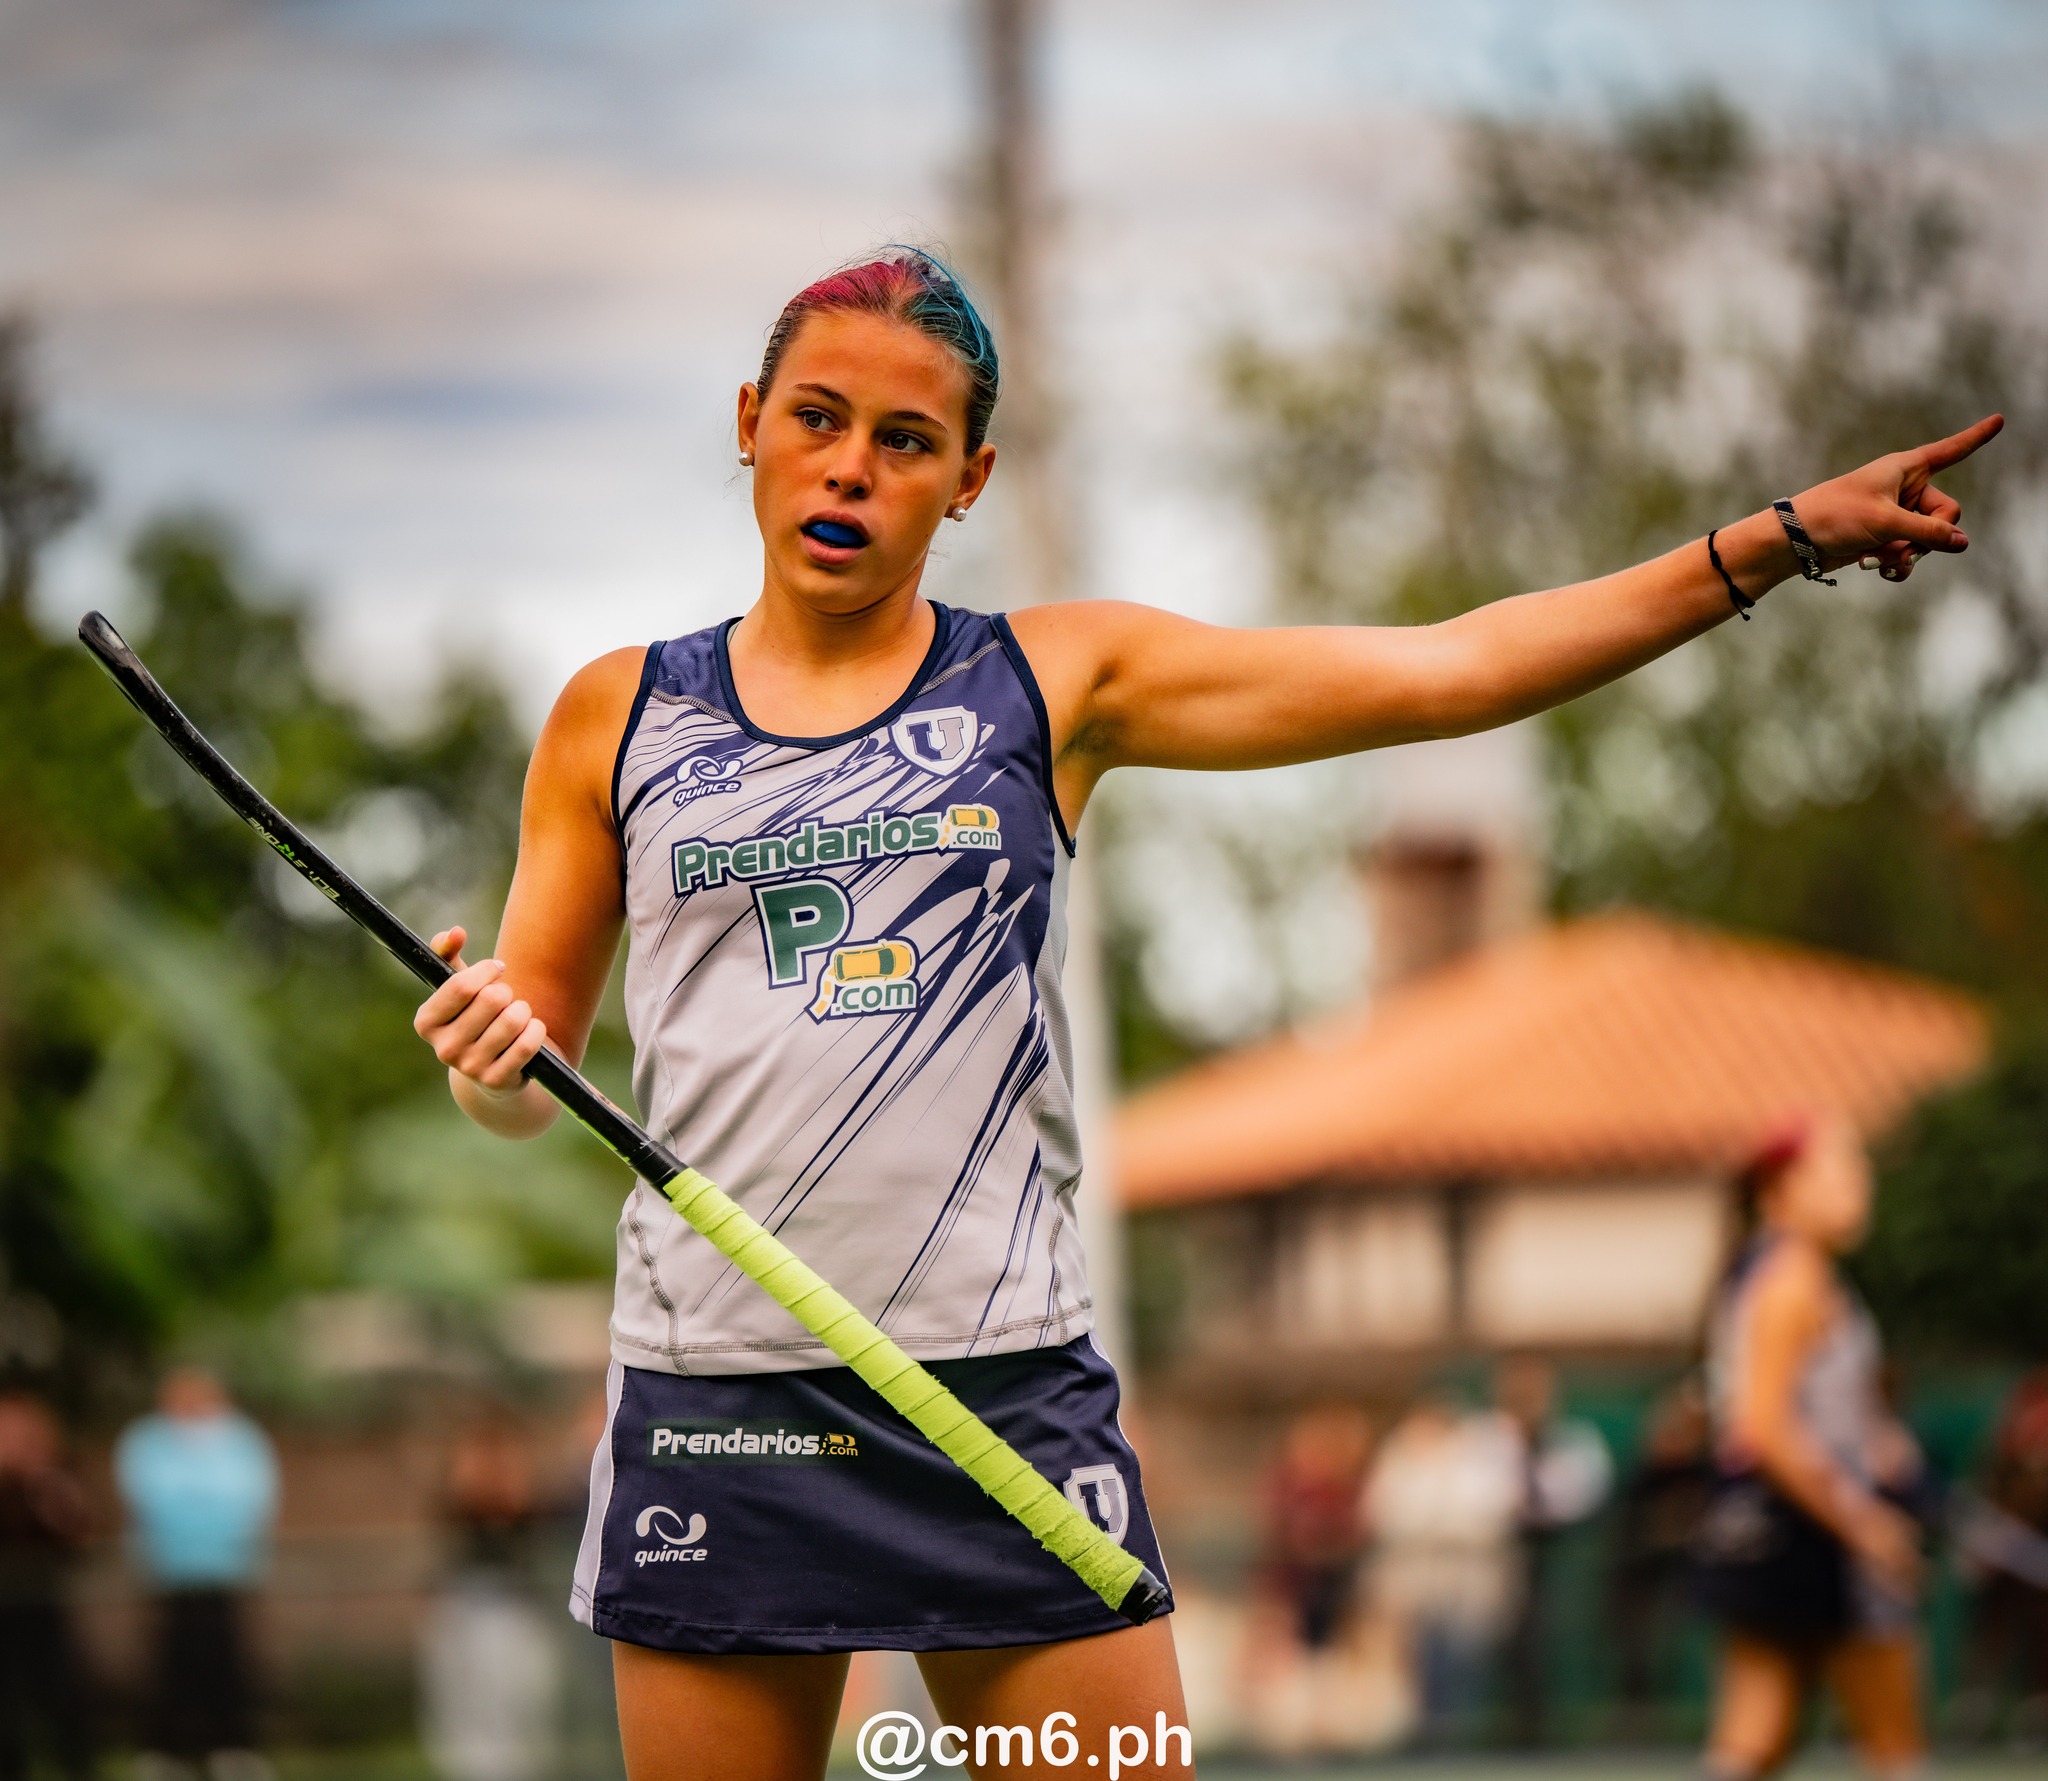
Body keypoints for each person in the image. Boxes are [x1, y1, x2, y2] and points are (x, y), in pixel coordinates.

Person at [405, 242, 1999, 1776]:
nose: (849, 469)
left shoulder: (1052, 683)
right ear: (749, 424)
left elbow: (1450, 668)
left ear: (970, 478)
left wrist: (1774, 540)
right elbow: (523, 1075)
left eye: (907, 440)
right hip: (724, 1406)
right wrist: (489, 1063)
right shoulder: (618, 717)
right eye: (816, 419)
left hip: (996, 1390)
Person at [1694, 1115, 1929, 1779]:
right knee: (1893, 1743)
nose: (1862, 1185)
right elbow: (1765, 1428)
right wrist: (1863, 1522)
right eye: (1841, 1168)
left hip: (1781, 1524)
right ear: (1782, 1187)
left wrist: (1882, 1443)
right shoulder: (1790, 1282)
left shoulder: (1782, 1274)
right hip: (1810, 1528)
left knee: (1755, 1737)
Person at [115, 1367, 280, 1780]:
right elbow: (149, 1495)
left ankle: (233, 1746)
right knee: (173, 1660)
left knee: (226, 1660)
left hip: (226, 1570)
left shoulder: (240, 1439)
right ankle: (167, 1749)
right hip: (170, 1571)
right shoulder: (148, 1439)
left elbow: (251, 1496)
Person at [1362, 1397, 1522, 1746]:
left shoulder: (1474, 1460)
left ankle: (1463, 1735)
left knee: (1464, 1659)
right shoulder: (1398, 1460)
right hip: (1415, 1581)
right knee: (1421, 1663)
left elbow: (1490, 1513)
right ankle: (1426, 1735)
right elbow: (1384, 1512)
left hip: (1467, 1581)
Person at [1493, 1355, 1612, 1747]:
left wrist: (1542, 1511)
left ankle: (1557, 1730)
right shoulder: (1487, 1440)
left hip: (1561, 1560)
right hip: (1499, 1563)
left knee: (1553, 1645)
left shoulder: (1574, 1439)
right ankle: (1508, 1731)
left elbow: (1583, 1492)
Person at [1607, 1377, 1713, 1736]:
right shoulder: (1643, 1477)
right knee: (1639, 1648)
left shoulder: (1703, 1472)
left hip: (1686, 1576)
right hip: (1641, 1574)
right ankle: (1637, 1719)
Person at [0, 1393, 94, 1781]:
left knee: (59, 1694)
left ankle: (76, 1764)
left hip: (42, 1609)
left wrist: (46, 1486)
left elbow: (78, 1538)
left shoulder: (50, 1482)